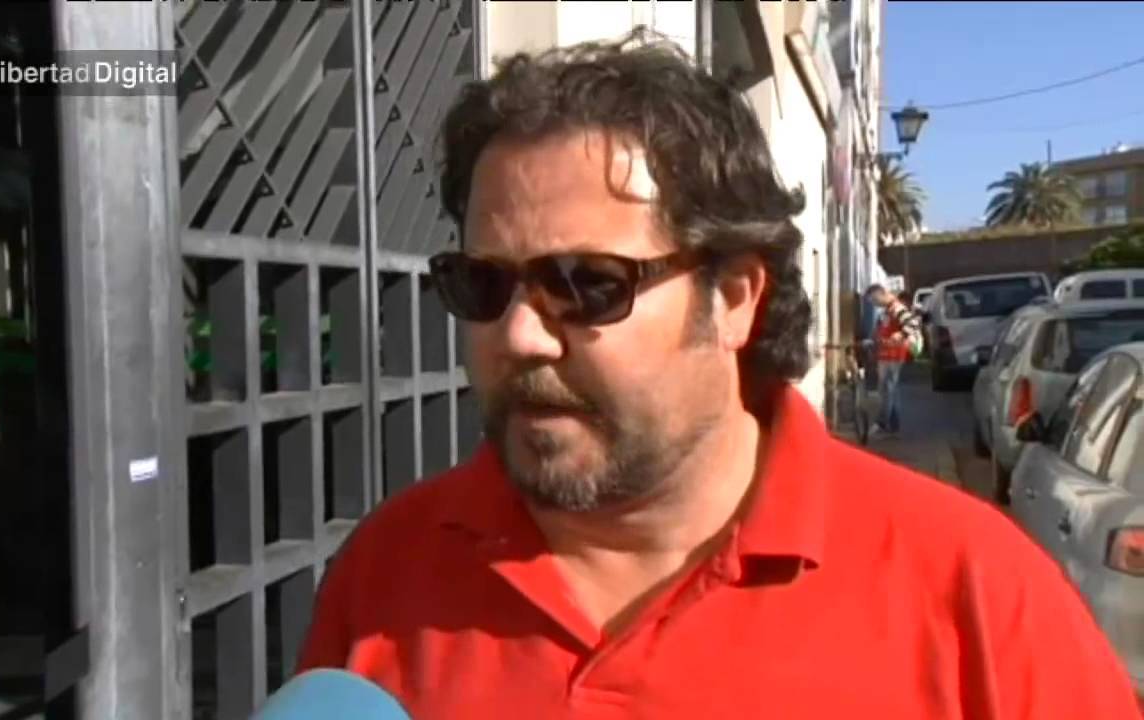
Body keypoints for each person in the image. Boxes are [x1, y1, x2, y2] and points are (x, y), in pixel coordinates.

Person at [296, 31, 1141, 718]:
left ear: (734, 298)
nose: (519, 335)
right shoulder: (387, 568)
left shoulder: (976, 593)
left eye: (587, 284)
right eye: (483, 284)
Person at [866, 283, 921, 438]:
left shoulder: (897, 308)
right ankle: (891, 425)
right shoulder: (887, 310)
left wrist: (901, 335)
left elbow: (913, 323)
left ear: (880, 295)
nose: (874, 304)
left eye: (874, 300)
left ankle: (883, 424)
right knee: (890, 390)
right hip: (886, 355)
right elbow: (882, 330)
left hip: (893, 355)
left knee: (887, 390)